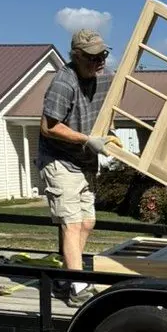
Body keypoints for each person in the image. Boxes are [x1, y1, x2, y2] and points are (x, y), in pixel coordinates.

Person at [39, 29, 121, 306]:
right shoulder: (64, 82)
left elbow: (108, 111)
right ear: (76, 55)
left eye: (103, 55)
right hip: (59, 160)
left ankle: (66, 277)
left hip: (84, 161)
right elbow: (48, 127)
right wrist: (87, 140)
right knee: (72, 224)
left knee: (87, 222)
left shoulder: (106, 77)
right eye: (92, 57)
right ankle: (78, 287)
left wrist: (110, 133)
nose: (99, 62)